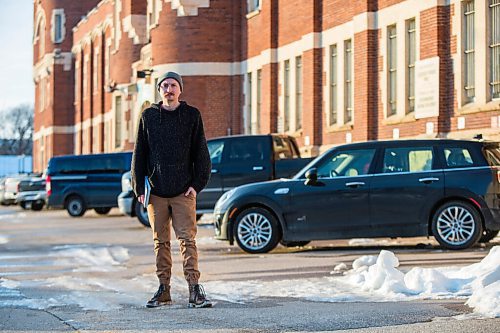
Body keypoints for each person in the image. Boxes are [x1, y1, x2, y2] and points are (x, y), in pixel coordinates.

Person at [131, 71, 212, 308]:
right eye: (165, 85)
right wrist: (139, 187)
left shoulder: (191, 115)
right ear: (159, 90)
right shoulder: (148, 117)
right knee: (161, 242)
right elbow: (140, 154)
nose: (169, 89)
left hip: (183, 192)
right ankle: (163, 289)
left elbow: (202, 154)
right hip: (156, 192)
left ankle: (194, 290)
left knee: (187, 240)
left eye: (173, 85)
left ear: (180, 89)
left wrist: (196, 185)